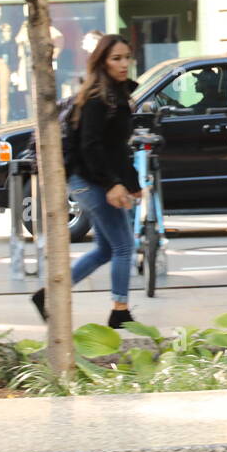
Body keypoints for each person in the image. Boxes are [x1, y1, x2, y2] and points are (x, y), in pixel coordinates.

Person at [31, 33, 140, 330]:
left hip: (96, 180)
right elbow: (90, 147)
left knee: (106, 249)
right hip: (87, 180)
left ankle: (47, 296)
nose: (123, 64)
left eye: (126, 57)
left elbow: (116, 147)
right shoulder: (96, 97)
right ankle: (120, 311)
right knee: (123, 247)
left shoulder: (117, 95)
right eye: (116, 59)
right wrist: (111, 185)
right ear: (102, 62)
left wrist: (132, 182)